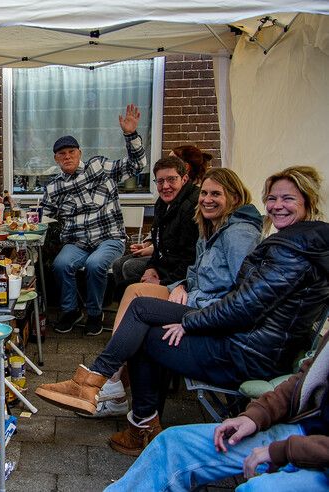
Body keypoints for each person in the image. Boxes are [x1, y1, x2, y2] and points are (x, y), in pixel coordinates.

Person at [35, 165, 329, 456]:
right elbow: (240, 297)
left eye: (288, 199)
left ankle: (115, 404)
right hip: (250, 339)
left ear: (307, 200)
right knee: (141, 315)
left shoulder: (288, 248)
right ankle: (108, 395)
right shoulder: (297, 242)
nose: (277, 206)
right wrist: (186, 290)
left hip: (248, 351)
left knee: (144, 329)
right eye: (273, 198)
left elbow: (242, 305)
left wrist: (191, 323)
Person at [83, 167, 262, 417]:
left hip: (208, 312)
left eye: (216, 194)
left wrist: (191, 318)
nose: (207, 199)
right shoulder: (212, 226)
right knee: (134, 290)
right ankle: (112, 383)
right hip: (193, 295)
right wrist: (183, 285)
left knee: (139, 307)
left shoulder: (239, 234)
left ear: (233, 196)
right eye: (205, 193)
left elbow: (242, 292)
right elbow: (195, 269)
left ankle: (108, 382)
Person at [106, 334, 329, 491]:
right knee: (173, 444)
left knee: (260, 488)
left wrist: (285, 450)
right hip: (303, 429)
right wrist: (255, 415)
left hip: (315, 452)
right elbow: (304, 380)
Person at [43, 104, 148, 335]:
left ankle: (94, 312)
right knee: (60, 265)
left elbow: (137, 165)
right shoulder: (53, 186)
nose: (67, 156)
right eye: (62, 154)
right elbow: (43, 216)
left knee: (94, 264)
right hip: (77, 242)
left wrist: (130, 134)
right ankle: (71, 310)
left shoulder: (99, 167)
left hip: (109, 238)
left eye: (71, 152)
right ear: (56, 158)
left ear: (80, 152)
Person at [110, 156, 200, 307]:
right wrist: (151, 267)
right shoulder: (162, 203)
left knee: (128, 273)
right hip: (164, 264)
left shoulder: (191, 207)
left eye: (171, 179)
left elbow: (190, 259)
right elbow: (159, 243)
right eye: (160, 181)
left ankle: (143, 311)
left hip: (179, 278)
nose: (165, 186)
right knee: (119, 267)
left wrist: (161, 282)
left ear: (184, 179)